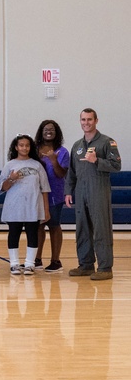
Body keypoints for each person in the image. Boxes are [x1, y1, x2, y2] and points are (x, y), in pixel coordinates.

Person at [65, 108, 122, 280]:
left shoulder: (107, 142)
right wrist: (68, 191)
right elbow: (71, 172)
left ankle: (105, 267)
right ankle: (86, 265)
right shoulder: (77, 145)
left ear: (96, 120)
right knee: (82, 229)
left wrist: (97, 160)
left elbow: (116, 166)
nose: (86, 123)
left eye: (89, 119)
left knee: (101, 229)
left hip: (98, 191)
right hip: (80, 192)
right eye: (83, 120)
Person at [0, 134, 50, 276]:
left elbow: (45, 188)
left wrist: (46, 210)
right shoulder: (10, 165)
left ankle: (29, 264)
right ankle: (14, 263)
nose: (24, 148)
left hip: (33, 206)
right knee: (13, 234)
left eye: (27, 145)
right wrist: (11, 178)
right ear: (16, 147)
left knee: (32, 234)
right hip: (14, 206)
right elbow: (2, 188)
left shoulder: (37, 165)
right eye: (21, 145)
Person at [34, 119, 69, 272]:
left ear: (57, 133)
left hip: (54, 194)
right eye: (46, 129)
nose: (49, 131)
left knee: (54, 225)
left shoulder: (62, 151)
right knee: (37, 226)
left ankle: (56, 261)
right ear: (41, 132)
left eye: (52, 129)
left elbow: (61, 174)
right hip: (36, 194)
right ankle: (37, 259)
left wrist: (54, 161)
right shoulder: (34, 150)